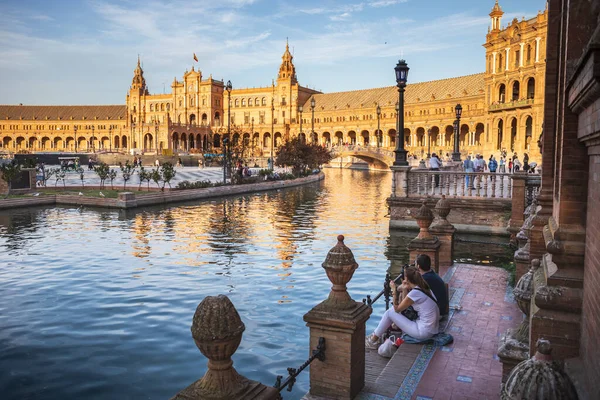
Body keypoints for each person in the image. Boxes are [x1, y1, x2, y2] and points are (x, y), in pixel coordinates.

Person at [365, 265, 440, 348]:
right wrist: (404, 287)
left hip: (424, 332)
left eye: (404, 278)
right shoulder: (424, 287)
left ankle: (372, 341)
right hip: (432, 329)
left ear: (407, 279)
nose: (403, 280)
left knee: (389, 313)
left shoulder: (415, 293)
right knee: (391, 312)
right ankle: (375, 336)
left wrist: (393, 290)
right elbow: (403, 303)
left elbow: (397, 309)